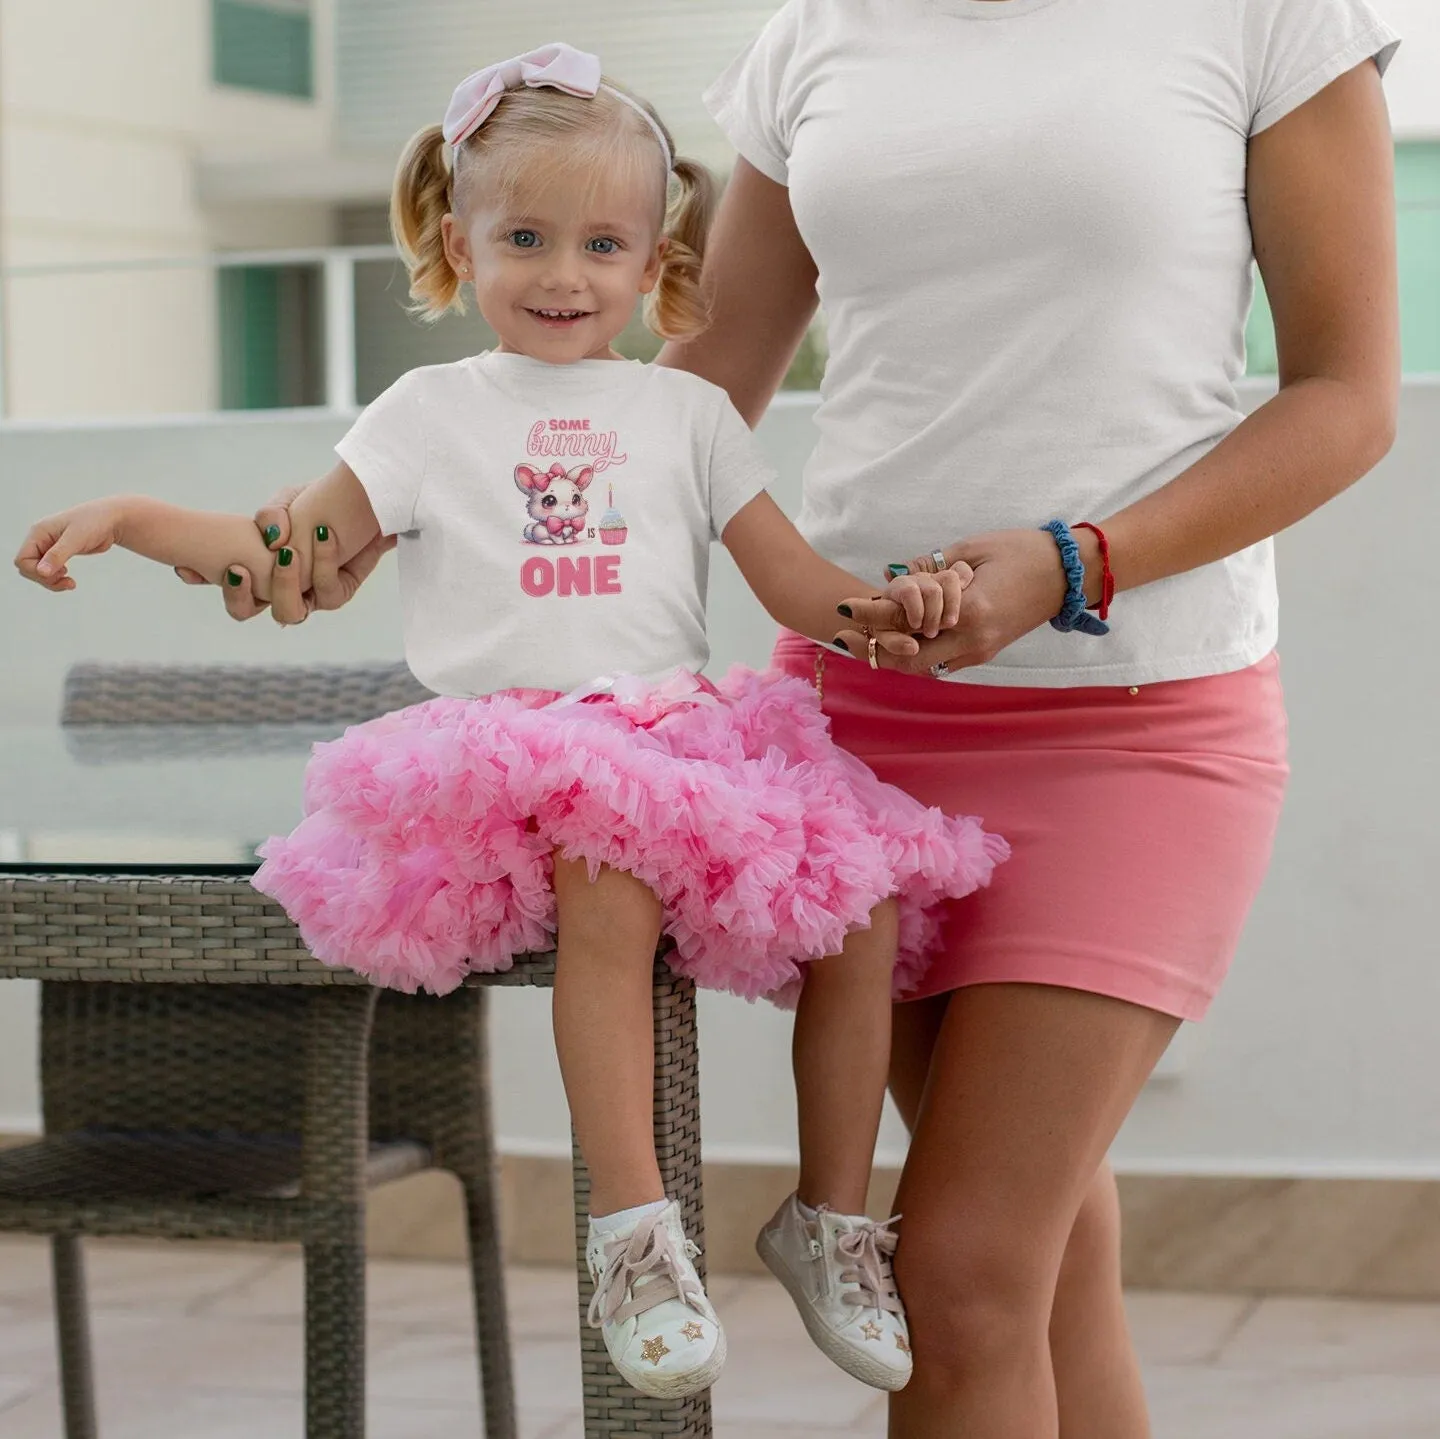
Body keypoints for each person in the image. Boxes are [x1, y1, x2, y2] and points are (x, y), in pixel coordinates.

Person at [194, 1, 1405, 1433]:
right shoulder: (817, 35)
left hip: (1139, 724)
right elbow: (704, 382)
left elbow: (1348, 396)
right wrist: (405, 510)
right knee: (1045, 1257)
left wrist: (1079, 560)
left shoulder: (1269, 17)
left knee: (955, 1275)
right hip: (854, 730)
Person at [13, 44, 1013, 1402]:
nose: (563, 275)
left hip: (677, 733)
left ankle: (829, 1219)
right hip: (515, 750)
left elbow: (792, 579)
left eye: (603, 243)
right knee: (608, 884)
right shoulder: (428, 414)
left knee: (862, 907)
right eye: (526, 237)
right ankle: (635, 1234)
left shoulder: (692, 414)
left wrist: (887, 611)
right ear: (455, 236)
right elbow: (286, 542)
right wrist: (133, 520)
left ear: (655, 254)